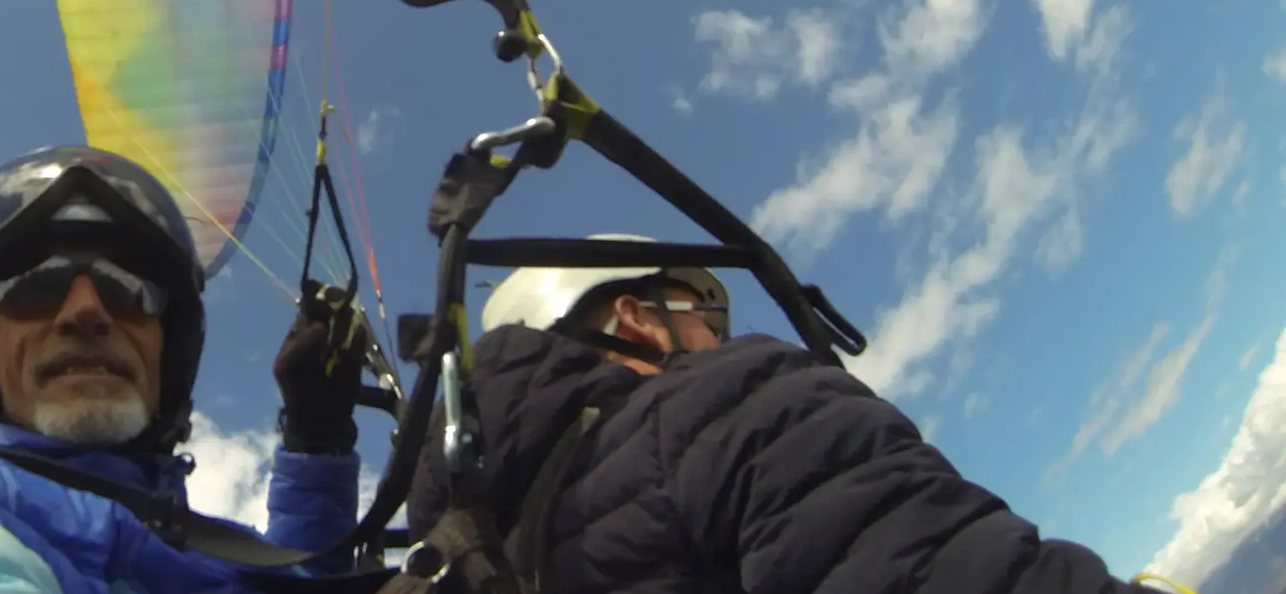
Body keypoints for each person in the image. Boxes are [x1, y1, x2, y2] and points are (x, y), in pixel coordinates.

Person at [404, 232, 1165, 594]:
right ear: (635, 318)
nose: (716, 336)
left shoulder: (476, 569)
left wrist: (315, 435)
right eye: (701, 311)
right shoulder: (723, 408)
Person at [0, 145, 367, 594]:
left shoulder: (167, 535)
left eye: (127, 289)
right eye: (35, 286)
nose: (86, 312)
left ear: (170, 341)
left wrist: (317, 443)